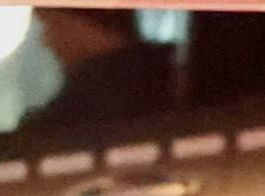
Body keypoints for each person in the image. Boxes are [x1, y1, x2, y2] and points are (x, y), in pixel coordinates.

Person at [22, 7, 175, 135]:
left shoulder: (76, 112)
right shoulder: (173, 72)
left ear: (78, 25)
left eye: (49, 25)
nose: (46, 41)